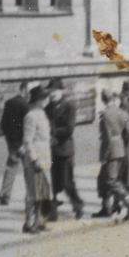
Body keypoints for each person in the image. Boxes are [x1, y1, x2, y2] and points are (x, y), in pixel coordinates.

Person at [94, 89, 129, 221]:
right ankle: (107, 208)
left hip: (111, 151)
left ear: (103, 100)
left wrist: (103, 156)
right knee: (103, 178)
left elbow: (107, 138)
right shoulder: (122, 112)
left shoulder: (105, 115)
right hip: (122, 149)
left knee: (110, 180)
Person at [44, 78, 85, 219]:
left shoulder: (69, 106)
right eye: (50, 91)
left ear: (62, 91)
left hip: (65, 149)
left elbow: (69, 129)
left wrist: (51, 131)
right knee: (55, 182)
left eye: (55, 91)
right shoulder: (48, 108)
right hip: (52, 149)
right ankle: (53, 211)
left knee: (67, 181)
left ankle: (78, 205)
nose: (52, 94)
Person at [21, 86, 56, 233]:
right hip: (35, 161)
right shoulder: (31, 116)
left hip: (45, 159)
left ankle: (39, 221)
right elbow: (27, 140)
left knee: (43, 191)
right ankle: (29, 223)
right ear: (39, 100)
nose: (48, 100)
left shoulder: (42, 114)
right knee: (33, 192)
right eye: (45, 98)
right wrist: (34, 159)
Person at [0, 84, 30, 205]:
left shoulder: (8, 103)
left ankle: (4, 194)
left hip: (11, 142)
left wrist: (9, 139)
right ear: (24, 90)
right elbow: (27, 127)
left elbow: (3, 124)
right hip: (24, 143)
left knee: (11, 167)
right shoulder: (26, 105)